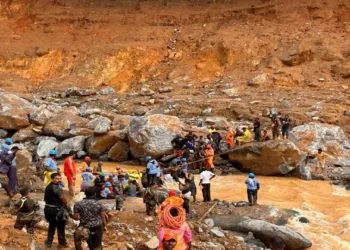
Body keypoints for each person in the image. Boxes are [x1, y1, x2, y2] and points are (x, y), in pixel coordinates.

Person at [44, 173, 69, 248]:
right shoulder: (56, 188)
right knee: (61, 227)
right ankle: (62, 243)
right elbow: (64, 200)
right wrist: (67, 207)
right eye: (57, 179)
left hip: (48, 209)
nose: (59, 180)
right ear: (52, 179)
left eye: (60, 178)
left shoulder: (48, 186)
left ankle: (49, 242)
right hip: (56, 210)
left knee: (51, 225)